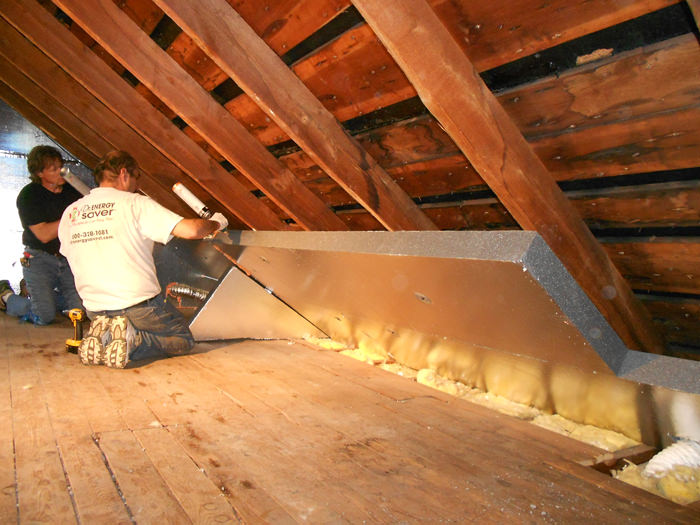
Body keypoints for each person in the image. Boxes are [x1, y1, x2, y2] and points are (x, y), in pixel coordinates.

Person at [58, 150, 227, 368]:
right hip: (137, 307)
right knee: (182, 339)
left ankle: (107, 334)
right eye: (136, 178)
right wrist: (216, 222)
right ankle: (132, 341)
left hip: (94, 309)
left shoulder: (71, 212)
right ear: (124, 174)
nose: (137, 186)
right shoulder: (135, 204)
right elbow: (192, 230)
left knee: (134, 320)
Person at [15, 145, 83, 325]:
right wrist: (71, 217)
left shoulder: (71, 191)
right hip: (39, 259)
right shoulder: (29, 195)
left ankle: (42, 295)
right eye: (54, 169)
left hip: (67, 258)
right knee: (44, 316)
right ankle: (7, 297)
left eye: (61, 167)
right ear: (39, 173)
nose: (61, 172)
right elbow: (44, 235)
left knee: (80, 313)